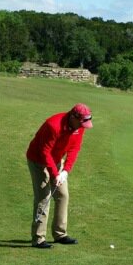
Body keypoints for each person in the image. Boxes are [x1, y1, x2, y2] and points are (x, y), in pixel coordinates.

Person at [25, 103, 93, 249]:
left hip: (55, 159)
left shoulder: (78, 127)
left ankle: (60, 234)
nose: (84, 126)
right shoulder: (53, 125)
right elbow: (45, 153)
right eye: (82, 123)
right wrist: (55, 175)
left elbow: (74, 149)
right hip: (38, 160)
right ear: (73, 117)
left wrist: (65, 172)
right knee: (43, 197)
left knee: (63, 195)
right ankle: (38, 238)